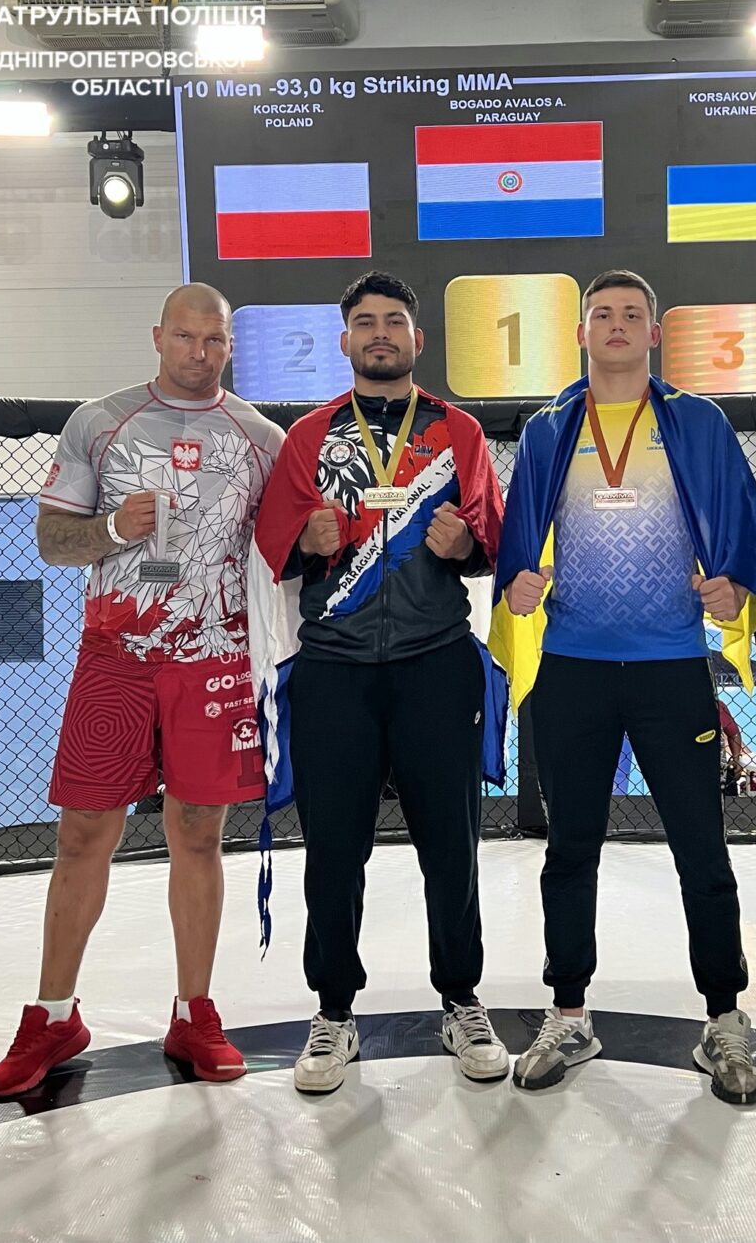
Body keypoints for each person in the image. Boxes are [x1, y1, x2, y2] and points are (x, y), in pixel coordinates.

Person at [491, 269, 756, 1104]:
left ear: (654, 333)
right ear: (580, 333)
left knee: (702, 848)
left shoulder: (696, 421)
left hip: (669, 667)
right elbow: (517, 537)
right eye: (602, 314)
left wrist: (733, 584)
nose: (617, 325)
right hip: (573, 668)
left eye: (631, 314)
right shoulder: (549, 429)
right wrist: (516, 580)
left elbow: (745, 526)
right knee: (568, 850)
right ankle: (567, 1012)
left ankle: (723, 1016)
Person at [0, 284, 284, 1098]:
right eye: (185, 337)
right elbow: (53, 542)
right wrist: (116, 528)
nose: (199, 353)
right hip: (115, 658)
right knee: (83, 833)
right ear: (158, 336)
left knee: (199, 833)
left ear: (230, 345)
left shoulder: (260, 439)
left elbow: (281, 556)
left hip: (214, 659)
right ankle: (52, 1015)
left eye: (214, 340)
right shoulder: (100, 421)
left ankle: (194, 1013)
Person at [249, 271, 510, 1094]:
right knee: (332, 850)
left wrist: (464, 546)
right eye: (365, 322)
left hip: (435, 659)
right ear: (345, 340)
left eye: (394, 320)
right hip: (334, 666)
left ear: (417, 339)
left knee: (451, 845)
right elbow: (271, 544)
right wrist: (305, 538)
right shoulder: (309, 436)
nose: (380, 333)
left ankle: (461, 999)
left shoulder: (458, 431)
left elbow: (494, 537)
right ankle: (333, 1011)